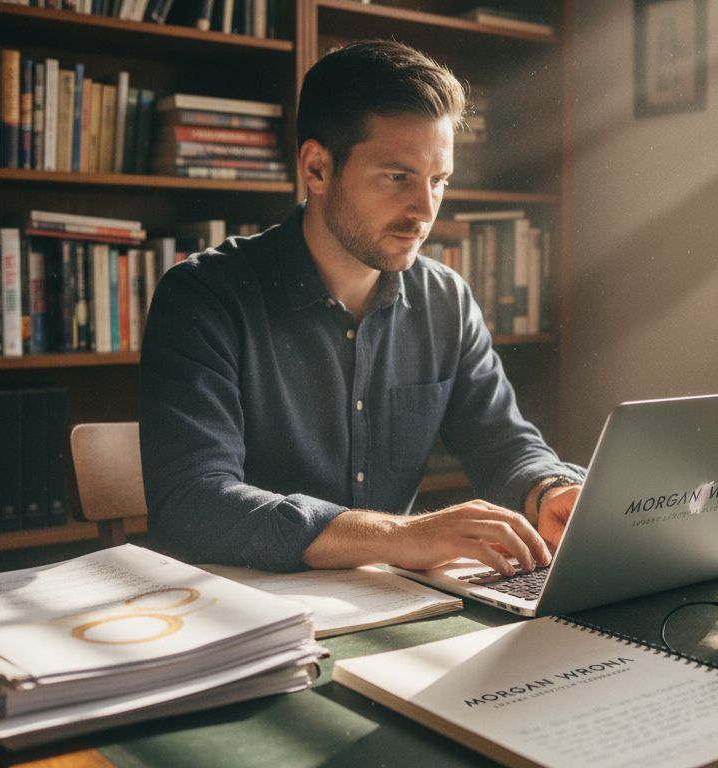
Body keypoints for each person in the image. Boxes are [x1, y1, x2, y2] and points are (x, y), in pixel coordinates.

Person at [139, 40, 583, 577]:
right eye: (397, 177)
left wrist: (550, 490)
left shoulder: (446, 299)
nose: (424, 210)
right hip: (242, 614)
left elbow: (504, 444)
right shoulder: (204, 295)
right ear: (317, 167)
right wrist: (401, 535)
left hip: (385, 601)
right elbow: (194, 501)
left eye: (437, 181)